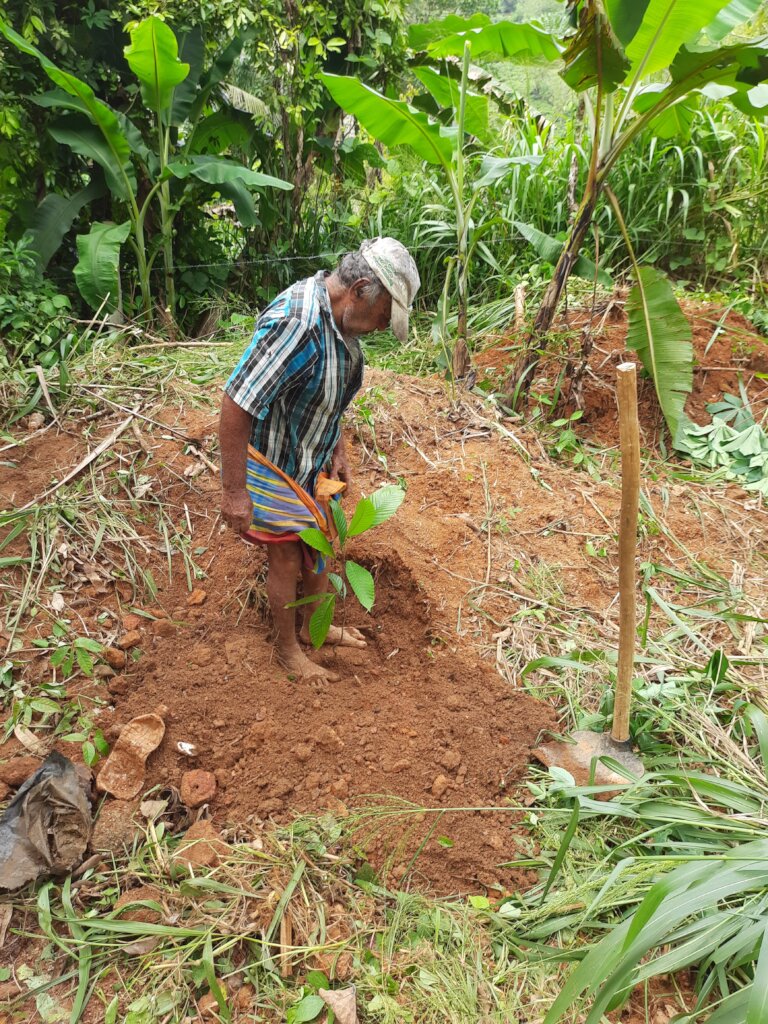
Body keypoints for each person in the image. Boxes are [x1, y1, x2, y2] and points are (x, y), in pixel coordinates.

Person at [218, 238, 420, 682]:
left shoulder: (343, 326)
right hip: (273, 463)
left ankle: (315, 628)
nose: (384, 327)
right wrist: (233, 490)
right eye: (385, 315)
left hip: (311, 459)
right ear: (361, 289)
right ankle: (289, 651)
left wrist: (338, 446)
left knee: (320, 546)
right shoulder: (298, 324)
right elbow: (236, 402)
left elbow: (327, 399)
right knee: (287, 558)